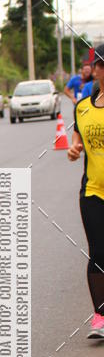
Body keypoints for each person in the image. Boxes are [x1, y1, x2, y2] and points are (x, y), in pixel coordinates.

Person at [68, 42, 104, 339]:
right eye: (98, 64)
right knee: (98, 252)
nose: (98, 69)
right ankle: (101, 316)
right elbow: (77, 141)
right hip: (93, 191)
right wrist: (74, 149)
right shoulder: (82, 107)